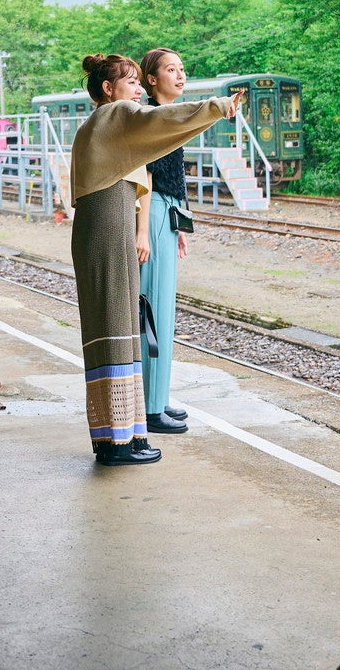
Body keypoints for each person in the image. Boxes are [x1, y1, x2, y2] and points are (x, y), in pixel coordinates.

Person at [70, 53, 243, 466]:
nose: (138, 91)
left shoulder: (103, 124)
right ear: (109, 89)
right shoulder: (116, 114)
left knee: (121, 332)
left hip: (105, 232)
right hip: (108, 233)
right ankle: (117, 444)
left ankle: (125, 436)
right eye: (131, 82)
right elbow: (160, 120)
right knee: (116, 332)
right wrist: (218, 107)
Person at [137, 48, 193, 434]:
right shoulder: (153, 118)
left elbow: (173, 180)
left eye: (182, 69)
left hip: (165, 215)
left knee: (163, 311)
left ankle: (158, 397)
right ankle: (151, 408)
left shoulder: (165, 117)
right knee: (154, 307)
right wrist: (144, 231)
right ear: (151, 79)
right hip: (153, 213)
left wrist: (180, 229)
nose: (180, 74)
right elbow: (147, 179)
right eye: (170, 69)